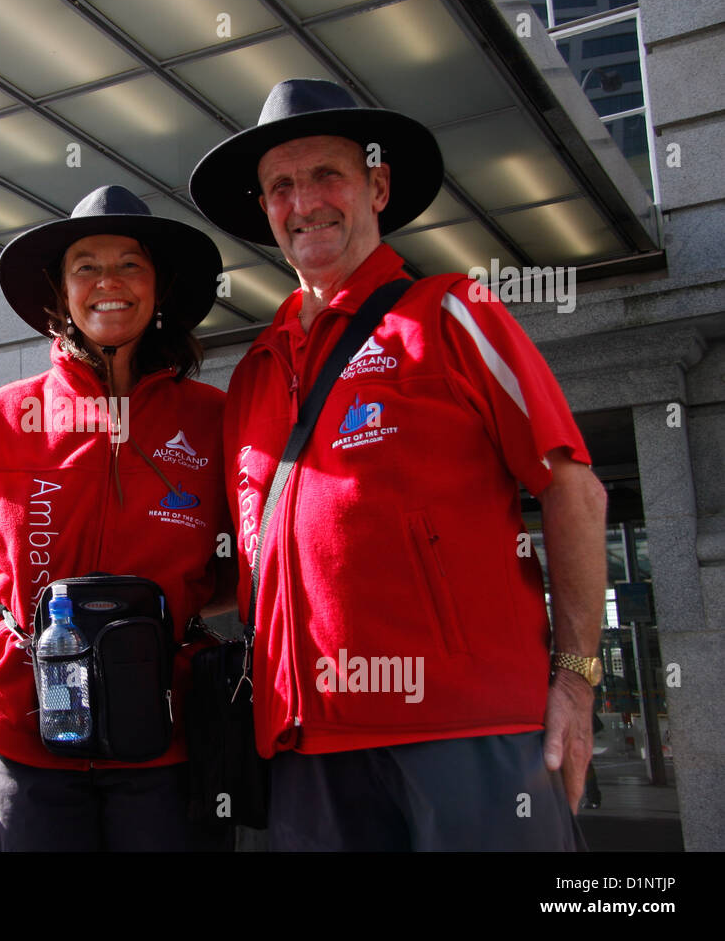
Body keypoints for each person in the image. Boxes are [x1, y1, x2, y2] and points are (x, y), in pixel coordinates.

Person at [189, 79, 608, 850]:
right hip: (304, 748)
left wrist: (576, 679)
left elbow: (574, 488)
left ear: (377, 186)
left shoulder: (455, 312)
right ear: (265, 211)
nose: (303, 200)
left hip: (466, 731)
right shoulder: (251, 373)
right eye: (281, 185)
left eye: (327, 175)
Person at [0, 185, 231, 851]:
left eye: (131, 264)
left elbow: (251, 568)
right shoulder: (6, 414)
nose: (109, 283)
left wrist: (155, 619)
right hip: (21, 724)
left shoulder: (213, 418)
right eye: (86, 266)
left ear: (158, 288)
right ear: (61, 293)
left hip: (166, 729)